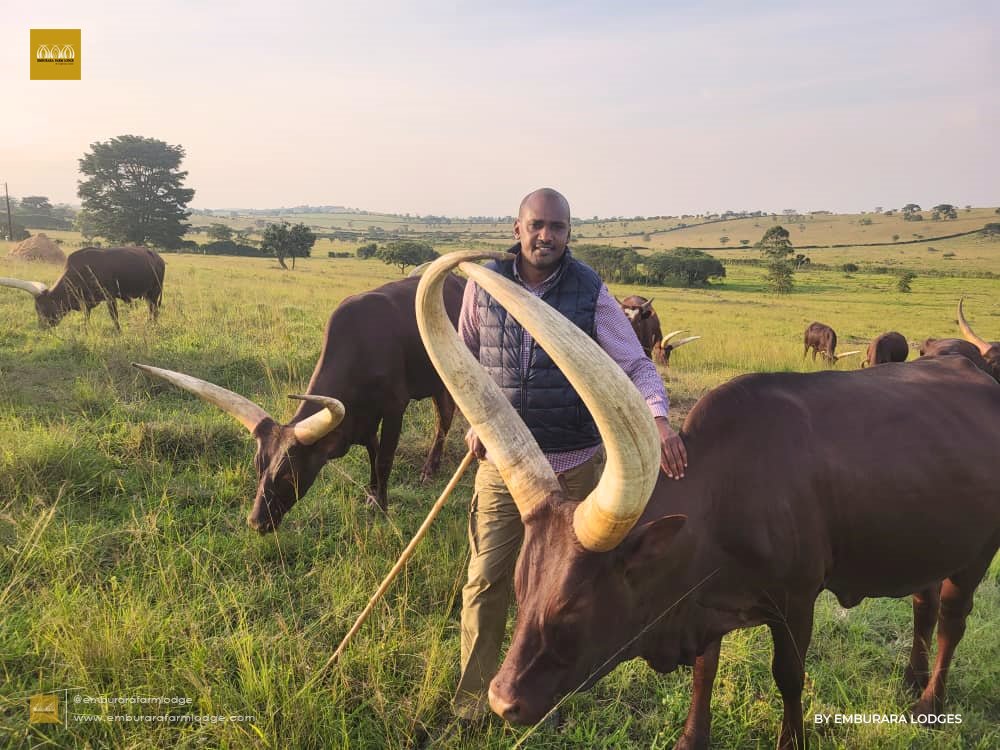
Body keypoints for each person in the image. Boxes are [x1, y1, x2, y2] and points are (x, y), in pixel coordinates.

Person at [452, 187, 688, 722]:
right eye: (536, 225)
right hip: (506, 469)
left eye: (557, 228)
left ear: (568, 234)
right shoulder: (483, 287)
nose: (546, 236)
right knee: (488, 579)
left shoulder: (591, 292)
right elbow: (464, 365)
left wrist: (657, 417)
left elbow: (636, 364)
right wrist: (474, 423)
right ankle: (473, 700)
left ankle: (549, 694)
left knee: (562, 594)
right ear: (517, 229)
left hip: (574, 470)